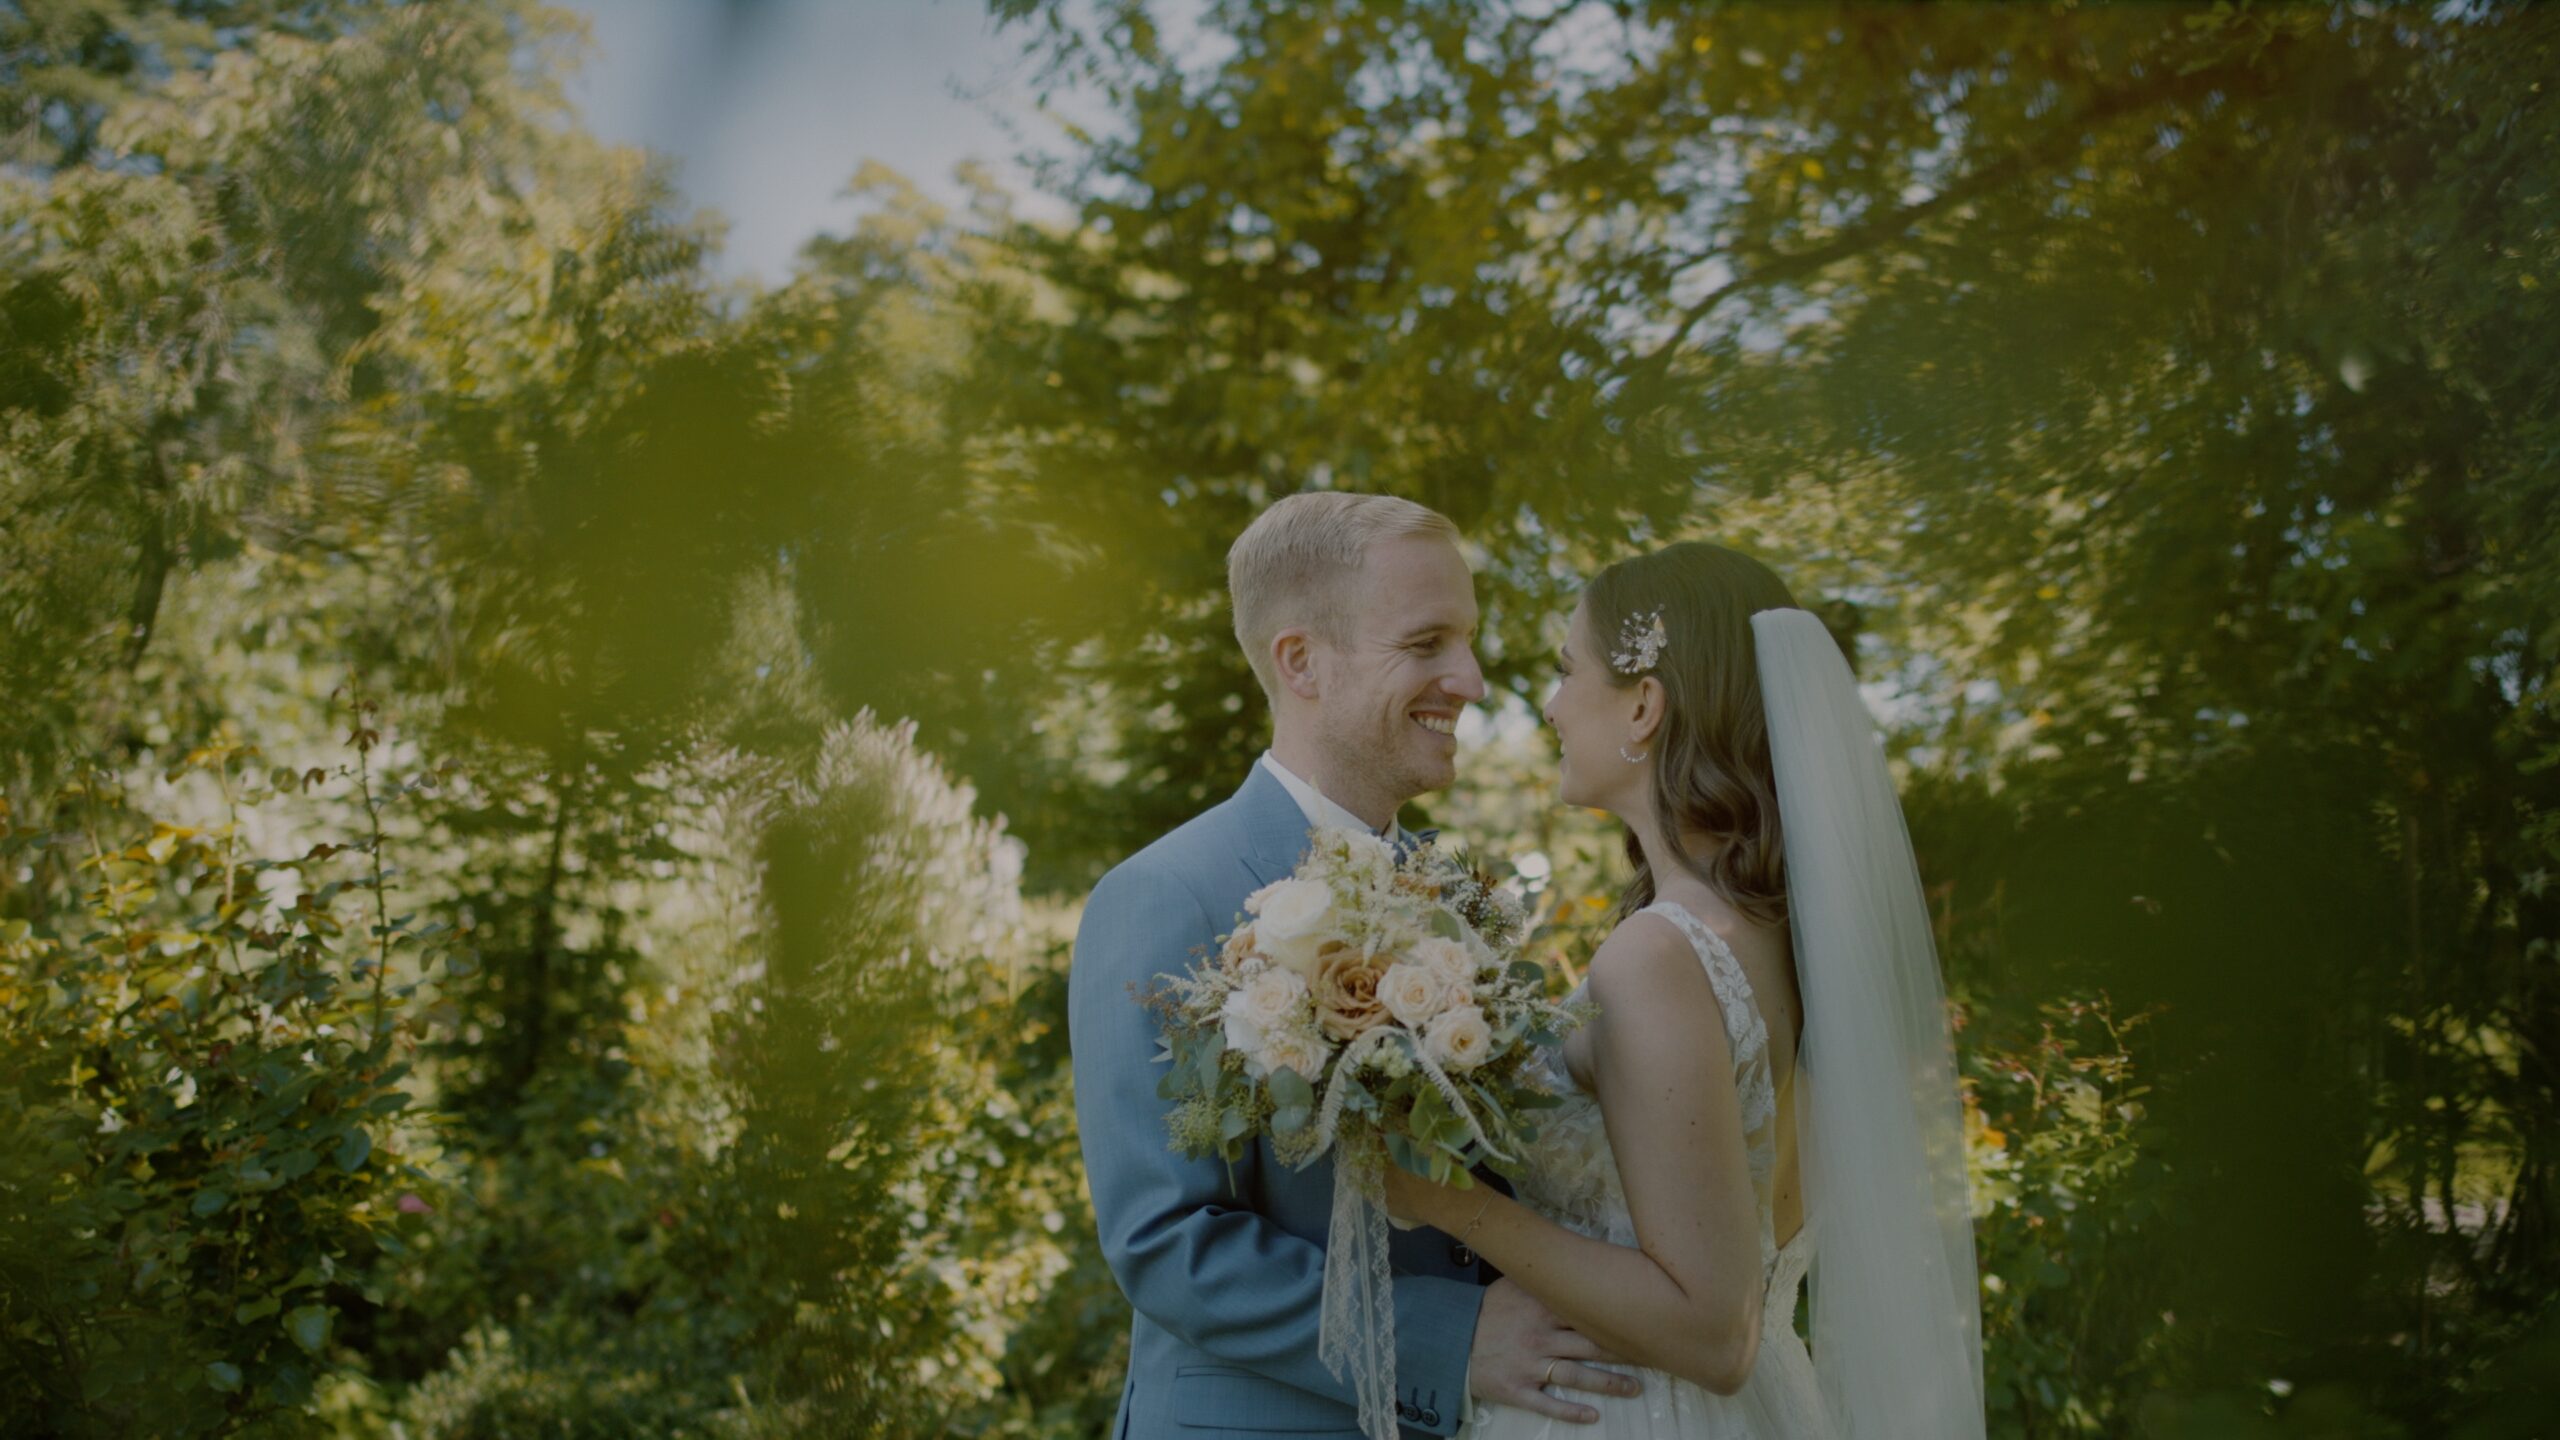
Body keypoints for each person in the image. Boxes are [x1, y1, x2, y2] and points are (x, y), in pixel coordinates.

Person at [1069, 491, 1645, 1439]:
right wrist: (1449, 1339)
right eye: (1427, 645)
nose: (1471, 679)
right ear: (1301, 661)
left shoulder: (1451, 898)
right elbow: (1166, 1242)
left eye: (1468, 641)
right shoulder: (1167, 896)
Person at [1384, 541, 1987, 1439]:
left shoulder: (1659, 956)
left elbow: (1712, 1330)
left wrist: (1434, 1195)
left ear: (1643, 704)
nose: (1549, 707)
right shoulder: (1783, 933)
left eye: (1565, 671)